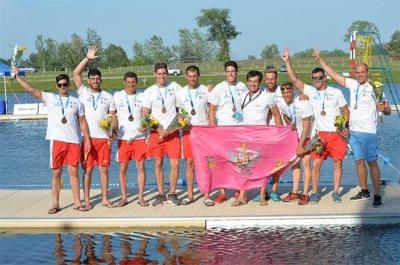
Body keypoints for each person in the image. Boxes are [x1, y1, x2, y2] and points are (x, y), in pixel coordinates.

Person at [313, 48, 391, 207]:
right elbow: (333, 75)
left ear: (367, 73)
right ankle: (364, 190)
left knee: (372, 163)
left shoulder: (375, 88)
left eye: (363, 72)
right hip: (353, 132)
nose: (360, 75)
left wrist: (385, 109)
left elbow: (387, 109)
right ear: (354, 73)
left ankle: (377, 194)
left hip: (368, 132)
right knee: (359, 162)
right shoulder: (353, 84)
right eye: (357, 72)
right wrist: (320, 59)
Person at [13, 68, 91, 213]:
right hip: (57, 141)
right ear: (57, 86)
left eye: (65, 84)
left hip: (73, 141)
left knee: (73, 171)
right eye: (60, 85)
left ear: (69, 85)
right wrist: (17, 77)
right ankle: (55, 203)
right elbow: (31, 89)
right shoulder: (50, 98)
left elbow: (82, 122)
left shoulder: (77, 102)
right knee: (56, 173)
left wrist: (87, 139)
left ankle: (77, 202)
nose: (63, 87)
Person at [282, 47, 350, 203]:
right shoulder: (311, 92)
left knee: (337, 163)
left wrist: (345, 126)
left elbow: (346, 111)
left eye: (319, 77)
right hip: (320, 135)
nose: (317, 80)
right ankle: (314, 192)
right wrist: (287, 61)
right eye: (314, 78)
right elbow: (294, 79)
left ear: (325, 78)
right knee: (316, 163)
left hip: (337, 134)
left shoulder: (336, 92)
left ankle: (335, 192)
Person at [73, 46, 116, 209]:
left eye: (98, 79)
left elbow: (112, 117)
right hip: (88, 139)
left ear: (101, 80)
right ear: (89, 80)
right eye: (92, 79)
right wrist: (87, 58)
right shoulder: (83, 92)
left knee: (103, 170)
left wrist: (112, 131)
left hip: (104, 139)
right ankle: (87, 200)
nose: (95, 81)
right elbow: (76, 74)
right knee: (88, 170)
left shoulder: (108, 97)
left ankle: (105, 199)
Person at [235, 70, 282, 206]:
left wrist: (278, 134)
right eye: (250, 81)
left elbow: (277, 115)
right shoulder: (242, 97)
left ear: (259, 82)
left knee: (262, 167)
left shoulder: (267, 97)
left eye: (255, 81)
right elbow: (238, 116)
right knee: (244, 166)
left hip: (262, 136)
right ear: (247, 82)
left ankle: (262, 194)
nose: (253, 84)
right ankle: (242, 196)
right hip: (245, 136)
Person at [142, 62, 182, 206]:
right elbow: (145, 115)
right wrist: (159, 129)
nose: (162, 76)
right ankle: (160, 193)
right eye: (159, 74)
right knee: (158, 162)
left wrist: (171, 129)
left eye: (164, 73)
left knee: (175, 163)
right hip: (156, 133)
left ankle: (172, 193)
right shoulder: (148, 92)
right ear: (154, 74)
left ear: (167, 74)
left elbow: (181, 111)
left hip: (172, 133)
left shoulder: (175, 87)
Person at [208, 60, 248, 203]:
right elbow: (211, 110)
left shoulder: (243, 86)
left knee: (239, 161)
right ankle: (222, 192)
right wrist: (213, 130)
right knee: (222, 162)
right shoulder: (218, 88)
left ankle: (238, 190)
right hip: (223, 130)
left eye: (233, 71)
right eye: (228, 71)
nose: (231, 73)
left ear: (237, 72)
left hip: (239, 129)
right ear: (225, 72)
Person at [176, 65, 214, 206]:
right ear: (186, 77)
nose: (192, 79)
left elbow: (211, 110)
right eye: (190, 76)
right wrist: (181, 123)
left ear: (199, 76)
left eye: (195, 76)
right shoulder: (180, 93)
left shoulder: (206, 90)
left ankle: (206, 196)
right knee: (189, 163)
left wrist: (211, 128)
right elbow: (179, 113)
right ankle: (190, 195)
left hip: (204, 131)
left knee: (205, 164)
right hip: (188, 131)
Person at [113, 72, 148, 207]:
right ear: (124, 82)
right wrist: (112, 129)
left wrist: (145, 125)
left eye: (133, 82)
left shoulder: (142, 96)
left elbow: (146, 115)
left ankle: (140, 197)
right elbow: (112, 115)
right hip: (123, 138)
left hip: (139, 137)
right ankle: (124, 197)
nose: (131, 85)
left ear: (136, 82)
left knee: (141, 167)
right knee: (123, 168)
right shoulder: (117, 96)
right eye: (128, 82)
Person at [279, 81, 314, 205]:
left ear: (293, 90)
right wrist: (290, 124)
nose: (286, 93)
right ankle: (295, 192)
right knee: (295, 163)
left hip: (309, 136)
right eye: (283, 91)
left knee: (305, 163)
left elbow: (306, 126)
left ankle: (305, 194)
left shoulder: (303, 102)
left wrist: (300, 146)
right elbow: (285, 115)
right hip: (296, 137)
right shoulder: (282, 103)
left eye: (288, 90)